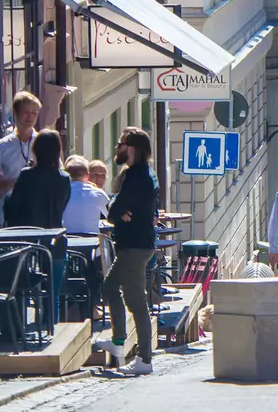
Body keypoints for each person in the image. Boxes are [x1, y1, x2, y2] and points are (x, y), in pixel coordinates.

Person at [94, 128, 159, 375]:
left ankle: (144, 359)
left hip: (134, 246)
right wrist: (119, 208)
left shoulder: (135, 177)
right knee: (110, 287)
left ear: (130, 148)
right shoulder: (146, 174)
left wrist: (118, 209)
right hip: (136, 244)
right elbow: (116, 206)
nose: (117, 148)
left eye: (120, 143)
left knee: (137, 302)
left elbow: (112, 209)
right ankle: (119, 341)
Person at [0, 91, 42, 224]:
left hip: (39, 209)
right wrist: (15, 183)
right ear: (15, 113)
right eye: (26, 112)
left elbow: (59, 174)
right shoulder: (1, 146)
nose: (30, 117)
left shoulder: (43, 142)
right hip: (11, 211)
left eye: (34, 113)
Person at [4, 130, 71, 229]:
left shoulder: (26, 175)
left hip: (30, 234)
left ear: (35, 150)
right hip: (54, 234)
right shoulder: (64, 179)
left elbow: (12, 204)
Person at [62, 155, 109, 235]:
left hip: (67, 241)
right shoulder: (98, 193)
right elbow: (110, 215)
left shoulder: (60, 193)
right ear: (88, 175)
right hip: (92, 242)